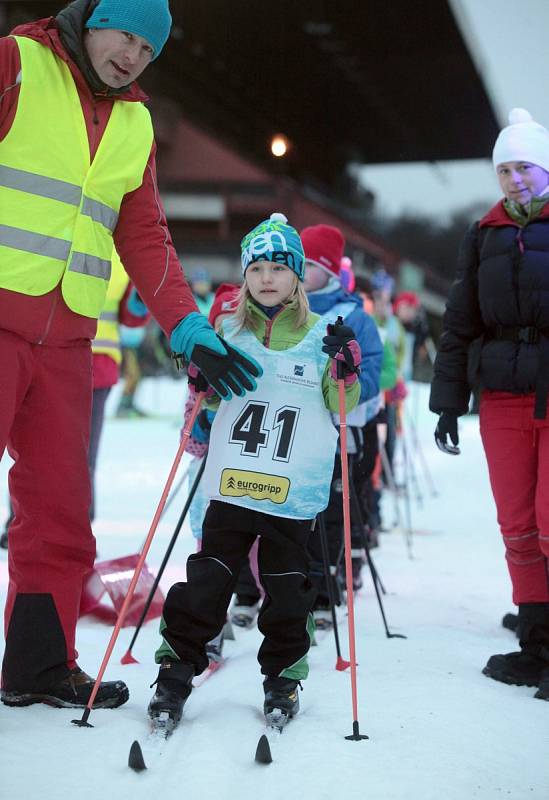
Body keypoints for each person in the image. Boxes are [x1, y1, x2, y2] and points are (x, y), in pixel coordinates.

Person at [0, 0, 260, 710]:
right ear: (91, 21)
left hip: (70, 341)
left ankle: (38, 665)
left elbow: (143, 233)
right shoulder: (17, 65)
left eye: (150, 48)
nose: (133, 55)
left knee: (59, 512)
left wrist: (187, 327)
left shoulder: (135, 121)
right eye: (126, 35)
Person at [147, 213, 362, 728]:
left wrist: (345, 366)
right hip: (233, 482)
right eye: (257, 268)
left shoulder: (319, 336)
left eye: (279, 268)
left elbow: (341, 402)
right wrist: (201, 377)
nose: (267, 277)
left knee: (288, 586)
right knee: (208, 580)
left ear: (297, 277)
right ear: (244, 277)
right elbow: (213, 396)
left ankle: (283, 679)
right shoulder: (229, 330)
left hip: (291, 490)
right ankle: (175, 673)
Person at [430, 108, 549, 702]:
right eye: (505, 169)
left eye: (524, 166)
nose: (515, 179)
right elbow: (459, 323)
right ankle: (537, 644)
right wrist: (448, 401)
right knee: (518, 525)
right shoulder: (482, 234)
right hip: (501, 394)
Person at [301, 224, 383, 609]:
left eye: (307, 264)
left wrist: (346, 385)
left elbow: (372, 371)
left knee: (332, 511)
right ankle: (288, 585)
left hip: (339, 432)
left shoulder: (353, 314)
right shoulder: (284, 308)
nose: (297, 271)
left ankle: (323, 585)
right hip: (294, 431)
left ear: (330, 271)